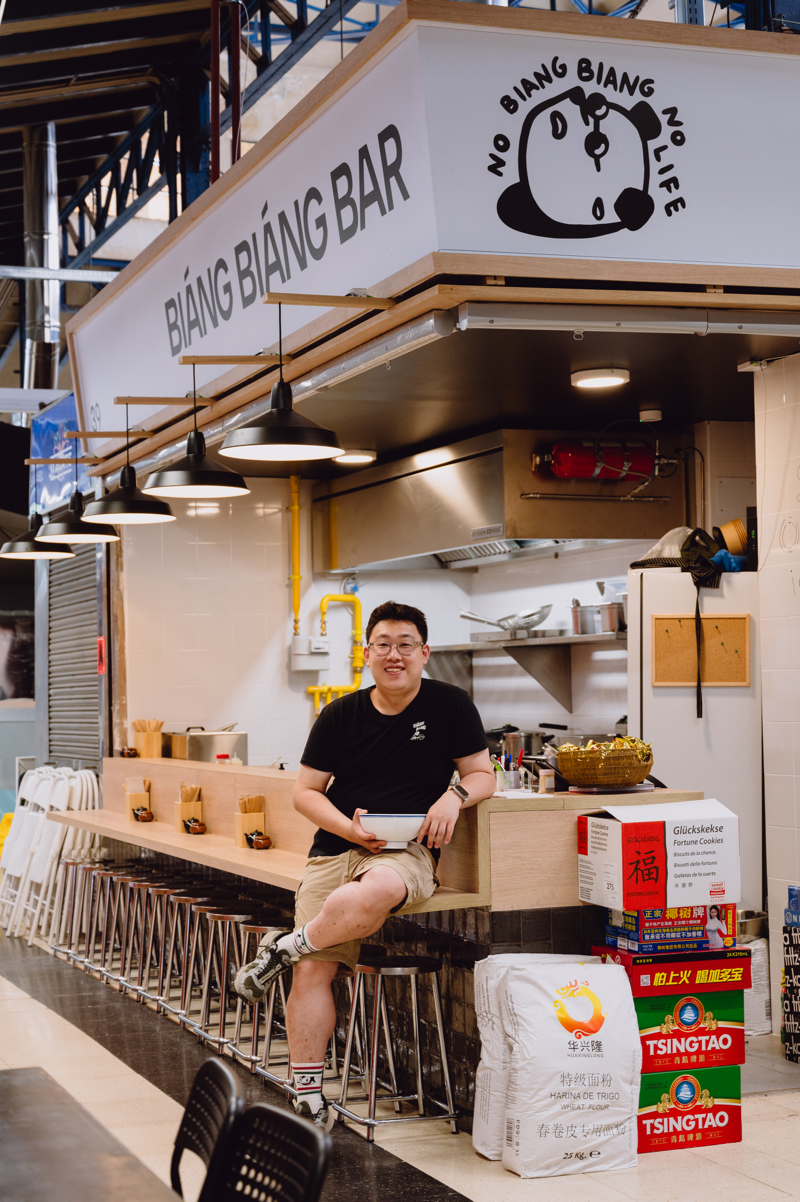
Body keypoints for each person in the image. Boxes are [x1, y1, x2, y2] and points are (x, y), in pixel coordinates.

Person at [234, 600, 495, 1129]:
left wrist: (454, 797)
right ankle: (307, 1093)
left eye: (405, 645)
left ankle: (284, 946)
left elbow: (483, 774)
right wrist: (348, 829)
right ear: (367, 653)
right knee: (314, 971)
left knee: (372, 893)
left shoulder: (450, 706)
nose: (393, 655)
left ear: (424, 653)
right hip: (337, 845)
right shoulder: (339, 715)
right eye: (383, 644)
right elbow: (305, 792)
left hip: (407, 851)